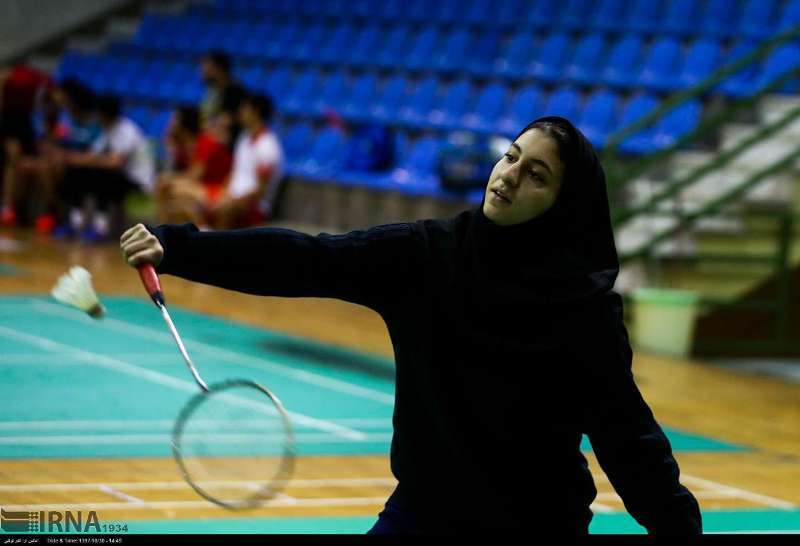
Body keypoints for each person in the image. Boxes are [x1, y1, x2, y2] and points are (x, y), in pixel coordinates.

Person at [119, 116, 702, 535]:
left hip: (535, 522)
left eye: (538, 175)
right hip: (427, 509)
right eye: (511, 156)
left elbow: (626, 435)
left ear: (562, 206)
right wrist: (178, 248)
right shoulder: (428, 256)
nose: (509, 176)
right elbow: (307, 258)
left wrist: (678, 527)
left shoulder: (582, 307)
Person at [58, 94, 154, 241]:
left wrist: (88, 161)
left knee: (102, 176)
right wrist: (74, 160)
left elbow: (115, 163)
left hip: (137, 181)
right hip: (119, 176)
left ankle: (100, 228)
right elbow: (92, 155)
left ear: (104, 114)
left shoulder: (126, 130)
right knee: (76, 172)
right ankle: (75, 224)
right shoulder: (107, 130)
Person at [204, 92, 283, 229]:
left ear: (255, 112)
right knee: (181, 199)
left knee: (224, 209)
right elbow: (234, 173)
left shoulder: (268, 147)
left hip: (254, 208)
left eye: (244, 108)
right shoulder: (244, 138)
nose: (240, 112)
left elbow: (259, 192)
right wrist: (224, 194)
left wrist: (229, 201)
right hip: (233, 197)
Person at [155, 105, 232, 225]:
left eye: (175, 119)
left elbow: (195, 176)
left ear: (184, 122)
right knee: (173, 198)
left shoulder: (205, 142)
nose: (171, 122)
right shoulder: (182, 146)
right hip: (201, 188)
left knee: (174, 190)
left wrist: (170, 180)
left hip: (218, 190)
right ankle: (164, 229)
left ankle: (203, 231)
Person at [199, 51, 246, 150]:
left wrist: (208, 125)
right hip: (213, 146)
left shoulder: (235, 90)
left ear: (218, 68)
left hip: (229, 149)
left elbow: (228, 119)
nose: (202, 70)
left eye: (207, 66)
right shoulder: (212, 91)